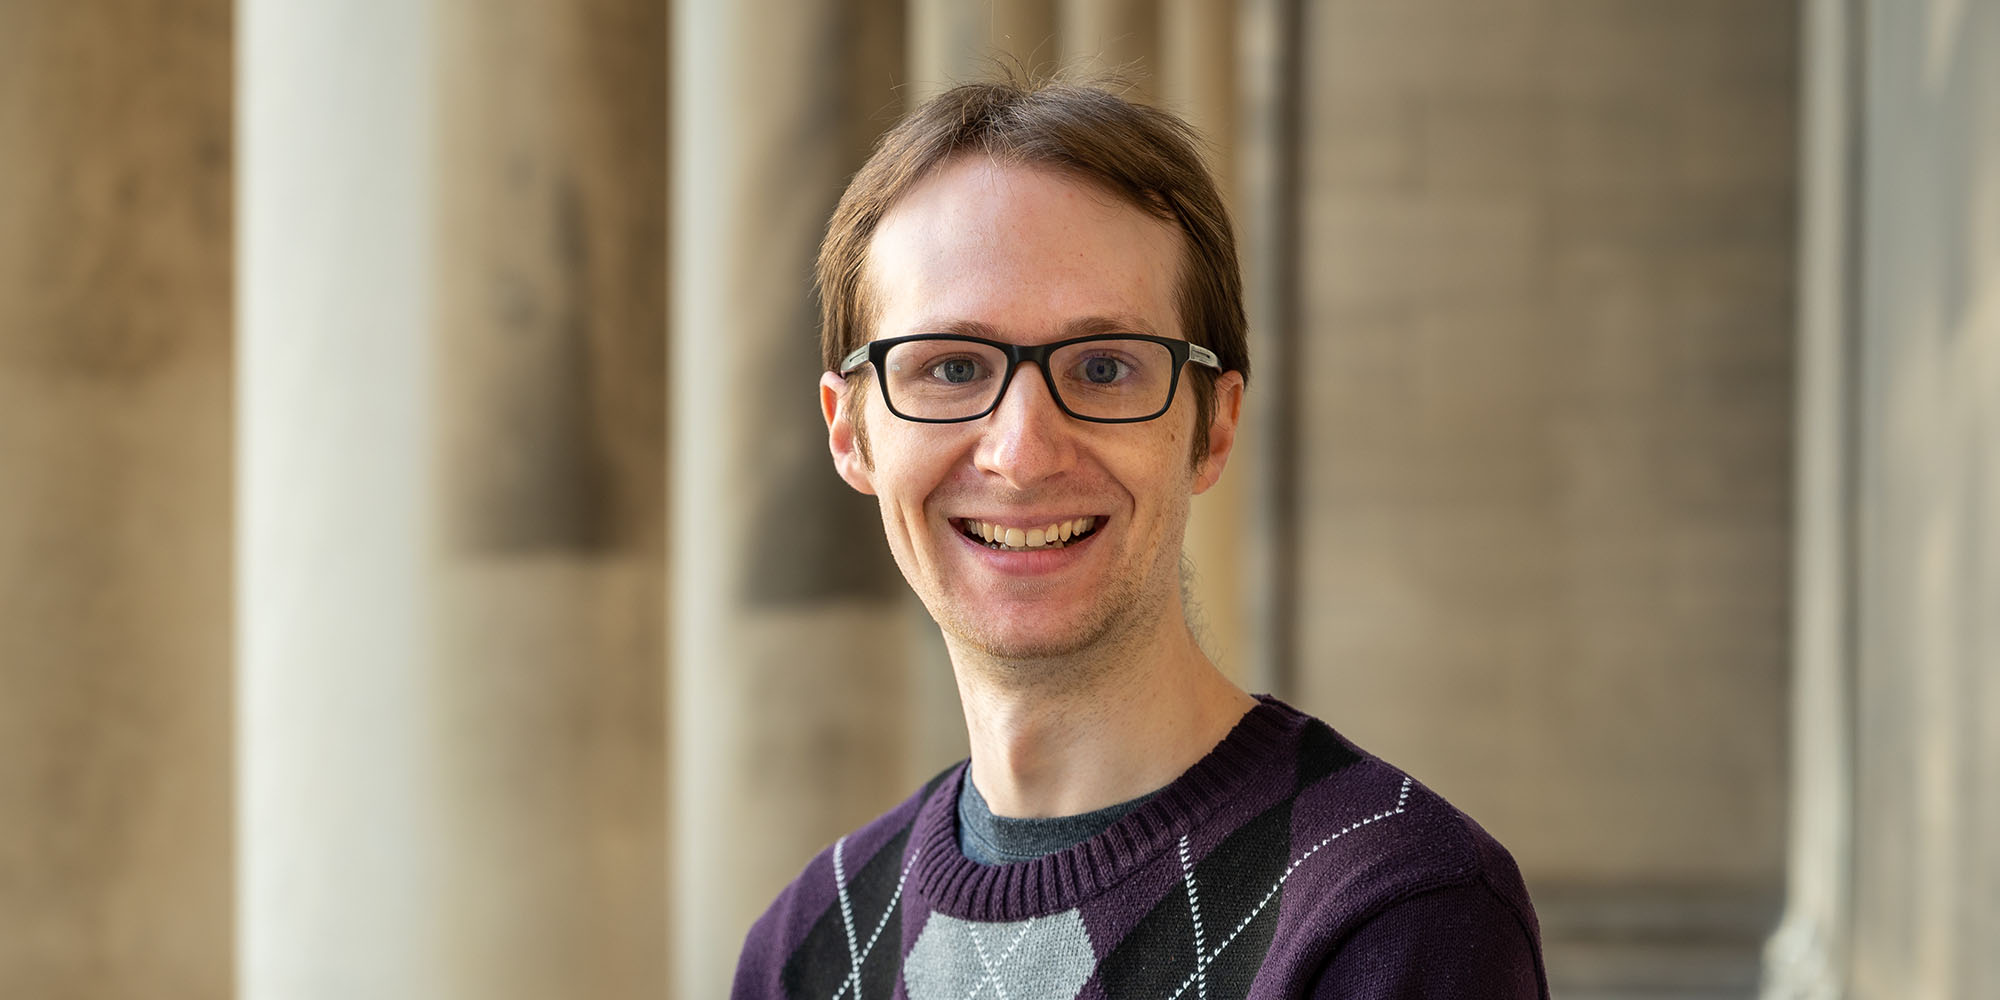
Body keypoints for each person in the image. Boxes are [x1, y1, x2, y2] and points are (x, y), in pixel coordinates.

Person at [732, 76, 1548, 1000]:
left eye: (1105, 368)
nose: (1021, 454)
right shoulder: (811, 944)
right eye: (952, 368)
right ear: (850, 432)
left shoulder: (1398, 915)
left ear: (1215, 426)